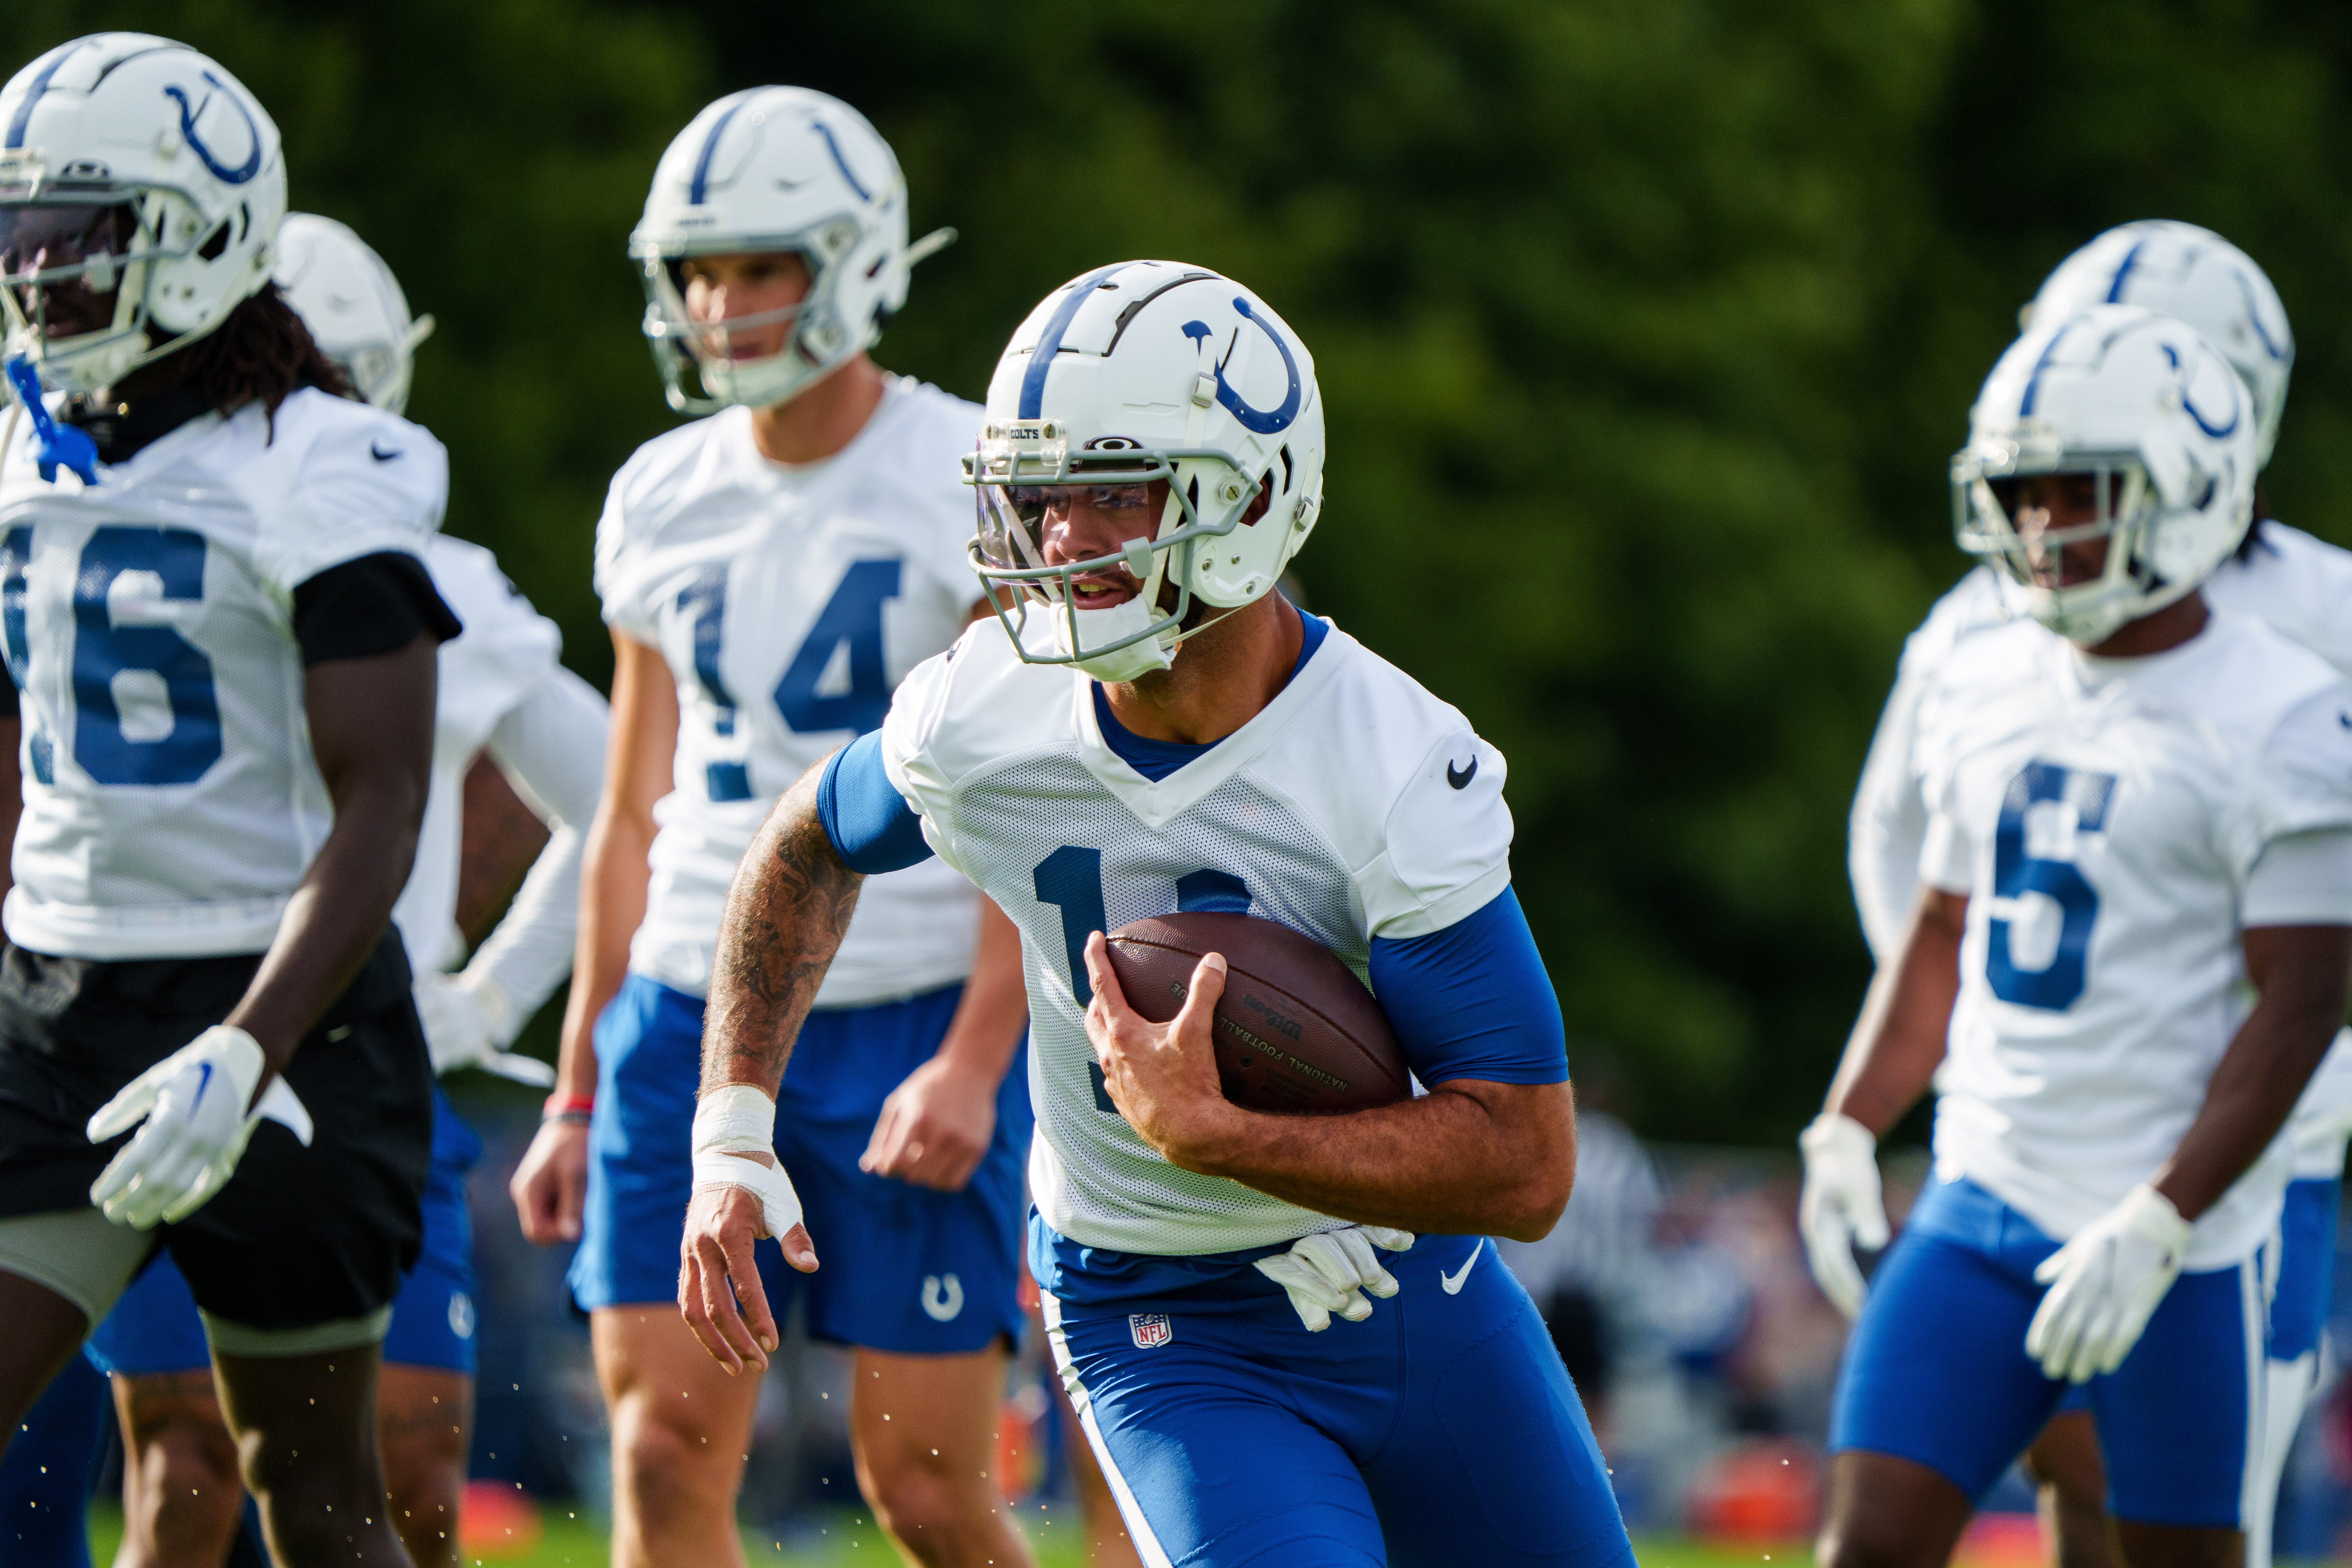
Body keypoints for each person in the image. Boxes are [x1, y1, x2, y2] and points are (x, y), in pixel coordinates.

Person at [681, 258, 1637, 1568]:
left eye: (1112, 492)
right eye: (1042, 496)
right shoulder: (985, 713)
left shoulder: (1392, 764)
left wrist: (1224, 1132)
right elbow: (800, 847)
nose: (1064, 539)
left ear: (1250, 494)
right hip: (1159, 1312)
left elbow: (1527, 1163)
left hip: (1408, 1284)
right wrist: (733, 1127)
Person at [503, 87, 1038, 1568]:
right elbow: (630, 812)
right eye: (698, 270)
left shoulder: (966, 470)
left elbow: (1020, 798)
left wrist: (980, 1056)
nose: (720, 304)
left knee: (924, 1487)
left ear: (855, 261)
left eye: (759, 266)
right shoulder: (660, 494)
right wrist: (575, 1083)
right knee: (661, 1461)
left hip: (910, 1003)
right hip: (685, 1002)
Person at [67, 212, 610, 1568]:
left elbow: (625, 805)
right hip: (158, 1036)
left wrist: (487, 998)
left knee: (408, 1459)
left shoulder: (445, 588)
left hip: (363, 1064)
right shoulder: (101, 548)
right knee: (183, 1466)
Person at [1826, 220, 2352, 1568]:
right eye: (2033, 479)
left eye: (2086, 478)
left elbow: (2310, 981)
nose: (2048, 524)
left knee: (2173, 1525)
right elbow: (1920, 885)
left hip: (2243, 1168)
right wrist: (1876, 1104)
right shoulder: (1982, 638)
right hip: (2004, 1157)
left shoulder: (2305, 655)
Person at [0, 34, 462, 1568]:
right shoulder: (24, 435)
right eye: (17, 232)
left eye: (75, 236)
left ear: (201, 237)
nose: (36, 271)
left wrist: (247, 1049)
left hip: (288, 1007)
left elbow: (383, 797)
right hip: (56, 996)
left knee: (315, 1494)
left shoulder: (316, 464)